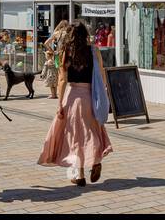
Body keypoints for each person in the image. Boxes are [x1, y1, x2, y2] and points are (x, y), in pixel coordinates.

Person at [37, 21, 112, 185]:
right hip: (91, 96)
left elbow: (63, 79)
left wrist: (59, 103)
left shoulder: (67, 52)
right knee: (91, 131)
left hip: (73, 97)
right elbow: (101, 72)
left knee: (75, 136)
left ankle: (80, 175)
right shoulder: (94, 50)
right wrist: (103, 93)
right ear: (85, 34)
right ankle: (96, 161)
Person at [40, 20, 68, 99]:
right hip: (67, 55)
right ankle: (61, 93)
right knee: (65, 75)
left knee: (59, 74)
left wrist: (52, 51)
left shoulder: (56, 33)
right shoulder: (68, 33)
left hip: (57, 55)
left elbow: (46, 43)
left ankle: (57, 94)